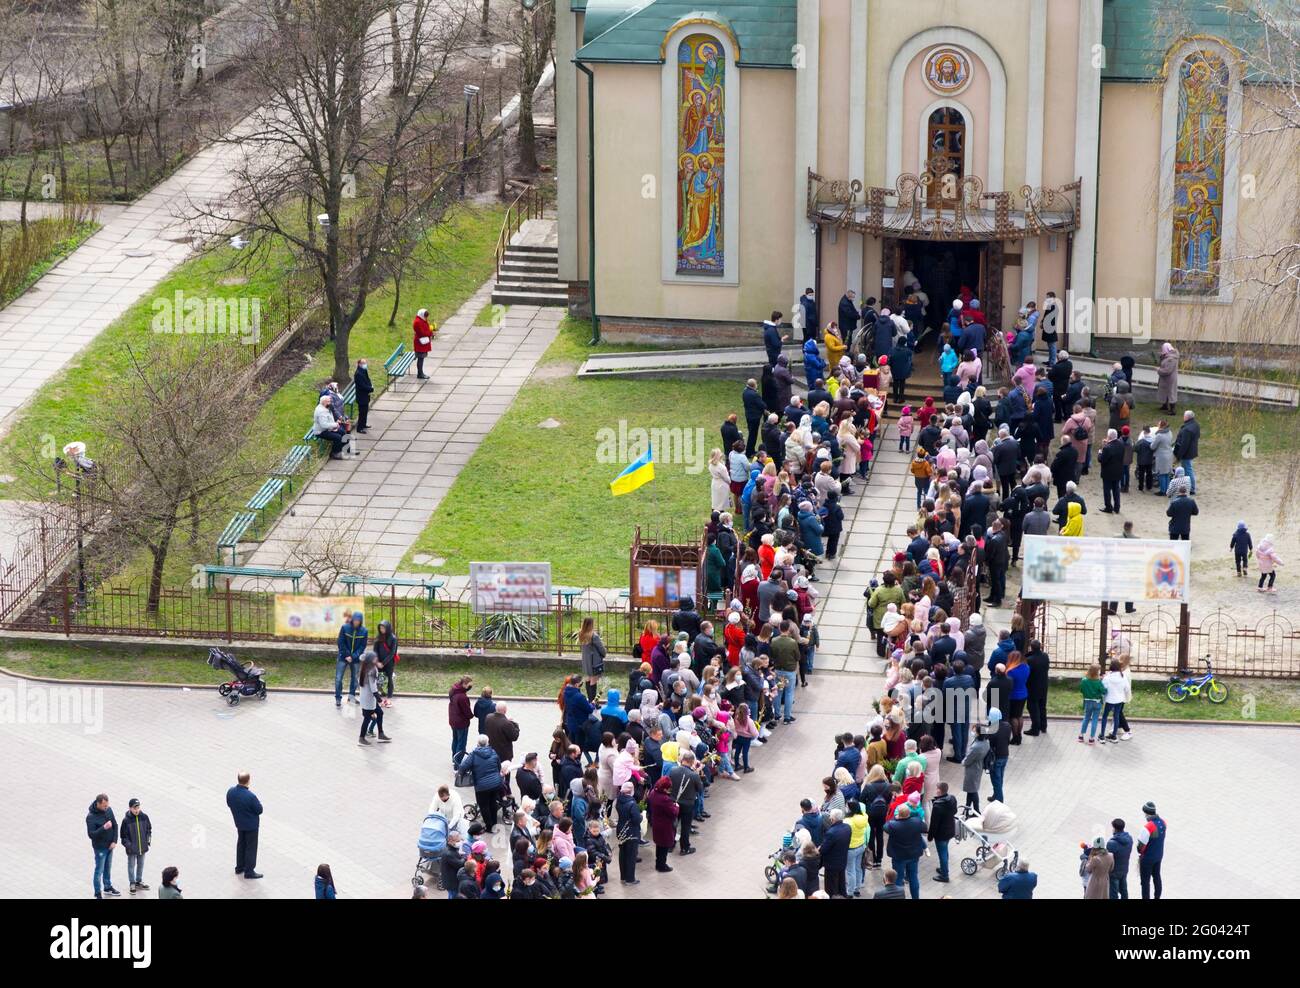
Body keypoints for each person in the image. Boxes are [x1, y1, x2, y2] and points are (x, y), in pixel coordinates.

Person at [226, 772, 263, 879]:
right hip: (251, 826)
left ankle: (239, 867)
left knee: (241, 844)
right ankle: (249, 871)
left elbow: (229, 803)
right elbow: (259, 810)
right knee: (250, 848)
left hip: (239, 823)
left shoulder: (231, 792)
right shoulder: (251, 796)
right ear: (248, 781)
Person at [884, 803, 926, 899]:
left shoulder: (893, 825)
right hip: (913, 855)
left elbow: (885, 827)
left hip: (898, 857)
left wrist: (896, 818)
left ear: (899, 814)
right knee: (913, 877)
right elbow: (925, 828)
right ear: (909, 814)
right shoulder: (917, 822)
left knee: (898, 879)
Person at [464, 736, 504, 832]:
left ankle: (489, 827)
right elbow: (499, 767)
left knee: (484, 806)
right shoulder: (493, 752)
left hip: (482, 787)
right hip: (495, 784)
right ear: (487, 743)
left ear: (477, 743)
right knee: (492, 803)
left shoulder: (473, 754)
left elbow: (463, 767)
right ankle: (494, 824)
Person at [86, 793, 120, 899]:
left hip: (110, 846)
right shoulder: (91, 817)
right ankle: (97, 892)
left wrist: (114, 841)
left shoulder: (108, 810)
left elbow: (115, 825)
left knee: (107, 868)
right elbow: (91, 835)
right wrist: (103, 828)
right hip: (100, 848)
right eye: (104, 806)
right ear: (98, 804)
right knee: (99, 870)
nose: (106, 807)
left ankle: (107, 886)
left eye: (107, 805)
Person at [669, 751, 702, 855]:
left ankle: (670, 845)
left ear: (683, 760)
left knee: (673, 824)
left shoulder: (673, 770)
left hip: (674, 801)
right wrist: (698, 773)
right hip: (688, 804)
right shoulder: (694, 775)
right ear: (692, 762)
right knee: (685, 826)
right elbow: (700, 789)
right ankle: (684, 848)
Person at [357, 651, 391, 745]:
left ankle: (381, 733)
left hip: (365, 697)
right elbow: (373, 688)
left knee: (380, 713)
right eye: (374, 658)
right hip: (369, 699)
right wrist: (380, 700)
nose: (376, 658)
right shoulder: (372, 670)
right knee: (367, 719)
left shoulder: (364, 667)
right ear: (371, 660)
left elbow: (362, 657)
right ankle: (361, 738)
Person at [120, 798, 152, 894]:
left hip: (142, 847)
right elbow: (123, 837)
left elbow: (149, 830)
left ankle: (139, 881)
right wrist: (129, 846)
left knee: (141, 865)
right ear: (130, 808)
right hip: (132, 850)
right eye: (134, 808)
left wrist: (148, 841)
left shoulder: (144, 817)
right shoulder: (126, 821)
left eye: (138, 807)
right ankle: (132, 882)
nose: (137, 810)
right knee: (131, 865)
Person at [335, 611, 367, 706]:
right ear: (352, 619)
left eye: (358, 620)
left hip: (355, 659)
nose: (356, 622)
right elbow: (340, 642)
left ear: (361, 621)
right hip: (343, 657)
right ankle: (338, 698)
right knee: (338, 678)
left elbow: (362, 646)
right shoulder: (345, 628)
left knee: (354, 679)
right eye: (355, 620)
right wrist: (347, 655)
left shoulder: (364, 631)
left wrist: (353, 656)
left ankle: (351, 697)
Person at [928, 782, 958, 884]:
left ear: (939, 791)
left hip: (941, 834)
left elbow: (934, 823)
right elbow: (955, 811)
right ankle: (943, 868)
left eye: (936, 789)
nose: (935, 790)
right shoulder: (952, 798)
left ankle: (945, 875)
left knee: (942, 854)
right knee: (944, 851)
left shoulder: (937, 806)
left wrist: (930, 836)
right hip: (950, 831)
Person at [1137, 801, 1167, 899]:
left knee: (1145, 882)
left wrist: (1141, 854)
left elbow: (1140, 847)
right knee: (1157, 877)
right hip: (1158, 856)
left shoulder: (1148, 827)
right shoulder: (1163, 822)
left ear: (1146, 812)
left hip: (1148, 858)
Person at [614, 782, 642, 885]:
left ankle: (623, 877)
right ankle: (630, 879)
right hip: (631, 832)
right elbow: (636, 819)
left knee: (623, 854)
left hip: (621, 829)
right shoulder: (632, 804)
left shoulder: (618, 800)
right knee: (631, 856)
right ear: (631, 791)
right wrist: (641, 816)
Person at [819, 809, 851, 898]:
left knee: (830, 888)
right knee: (841, 884)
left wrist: (820, 848)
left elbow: (823, 850)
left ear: (833, 819)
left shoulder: (831, 833)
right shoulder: (848, 828)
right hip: (842, 861)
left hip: (831, 864)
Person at [1024, 639, 1051, 736]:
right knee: (1042, 706)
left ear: (1031, 647)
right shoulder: (1045, 656)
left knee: (1032, 707)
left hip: (1033, 686)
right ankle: (1043, 726)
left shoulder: (1030, 660)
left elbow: (1027, 673)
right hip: (1043, 685)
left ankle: (1035, 728)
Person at [985, 710, 1011, 804]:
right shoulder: (1007, 726)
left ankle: (999, 801)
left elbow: (989, 743)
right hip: (1005, 755)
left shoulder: (992, 730)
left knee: (996, 779)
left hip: (996, 758)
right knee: (1000, 777)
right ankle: (996, 795)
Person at [447, 676, 473, 767]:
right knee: (461, 744)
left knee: (455, 740)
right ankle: (457, 764)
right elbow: (467, 711)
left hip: (453, 721)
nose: (471, 687)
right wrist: (471, 716)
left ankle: (454, 758)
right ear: (465, 684)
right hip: (461, 723)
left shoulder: (454, 690)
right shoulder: (462, 697)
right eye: (470, 685)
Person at [312, 394, 347, 459]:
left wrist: (335, 424)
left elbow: (329, 419)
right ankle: (334, 453)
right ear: (324, 402)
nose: (330, 403)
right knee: (338, 437)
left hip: (328, 428)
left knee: (343, 432)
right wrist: (335, 425)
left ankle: (345, 449)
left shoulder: (326, 407)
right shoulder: (321, 412)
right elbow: (324, 425)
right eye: (329, 401)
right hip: (321, 431)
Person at [1173, 409, 1200, 494]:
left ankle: (1191, 488)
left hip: (1187, 453)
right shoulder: (1195, 425)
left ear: (1186, 417)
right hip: (1192, 450)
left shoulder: (1186, 429)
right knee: (1188, 469)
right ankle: (1188, 486)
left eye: (1184, 416)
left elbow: (1184, 444)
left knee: (1187, 470)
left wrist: (1179, 456)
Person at [373, 619, 398, 706]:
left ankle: (389, 697)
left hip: (389, 662)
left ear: (387, 628)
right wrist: (377, 661)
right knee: (378, 678)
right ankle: (380, 695)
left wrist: (383, 663)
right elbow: (375, 650)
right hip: (378, 662)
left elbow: (392, 653)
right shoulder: (378, 637)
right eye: (380, 628)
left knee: (389, 679)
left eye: (383, 628)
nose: (382, 630)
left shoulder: (393, 638)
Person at [1079, 664, 1105, 744]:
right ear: (1097, 672)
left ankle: (1081, 736)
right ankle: (1091, 738)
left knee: (1086, 718)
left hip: (1087, 702)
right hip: (1097, 702)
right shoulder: (1098, 682)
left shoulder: (1084, 680)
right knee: (1095, 719)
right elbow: (1103, 691)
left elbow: (1081, 690)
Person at [1108, 819, 1133, 899]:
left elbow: (1107, 858)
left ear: (1114, 828)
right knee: (1124, 890)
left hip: (1114, 872)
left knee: (1113, 894)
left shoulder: (1112, 843)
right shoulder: (1129, 839)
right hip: (1124, 869)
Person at [1156, 341, 1179, 413]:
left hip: (1169, 378)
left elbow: (1167, 370)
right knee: (1164, 392)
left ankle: (1172, 409)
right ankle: (1165, 405)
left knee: (1171, 393)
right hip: (1166, 378)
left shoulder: (1171, 359)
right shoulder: (1168, 356)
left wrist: (1159, 370)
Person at [412, 307, 434, 379]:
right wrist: (430, 333)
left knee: (422, 358)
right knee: (420, 358)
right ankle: (420, 374)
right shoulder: (417, 322)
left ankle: (420, 373)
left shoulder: (422, 319)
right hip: (420, 343)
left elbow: (426, 329)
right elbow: (422, 333)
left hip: (422, 343)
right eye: (425, 316)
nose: (426, 318)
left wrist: (430, 331)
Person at [353, 357, 373, 432]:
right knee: (362, 412)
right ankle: (359, 428)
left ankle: (364, 424)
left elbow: (368, 379)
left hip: (365, 395)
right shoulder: (358, 374)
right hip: (361, 397)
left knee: (365, 411)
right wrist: (370, 388)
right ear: (359, 364)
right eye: (363, 363)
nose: (365, 365)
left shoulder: (363, 371)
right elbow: (362, 386)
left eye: (365, 363)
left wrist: (370, 385)